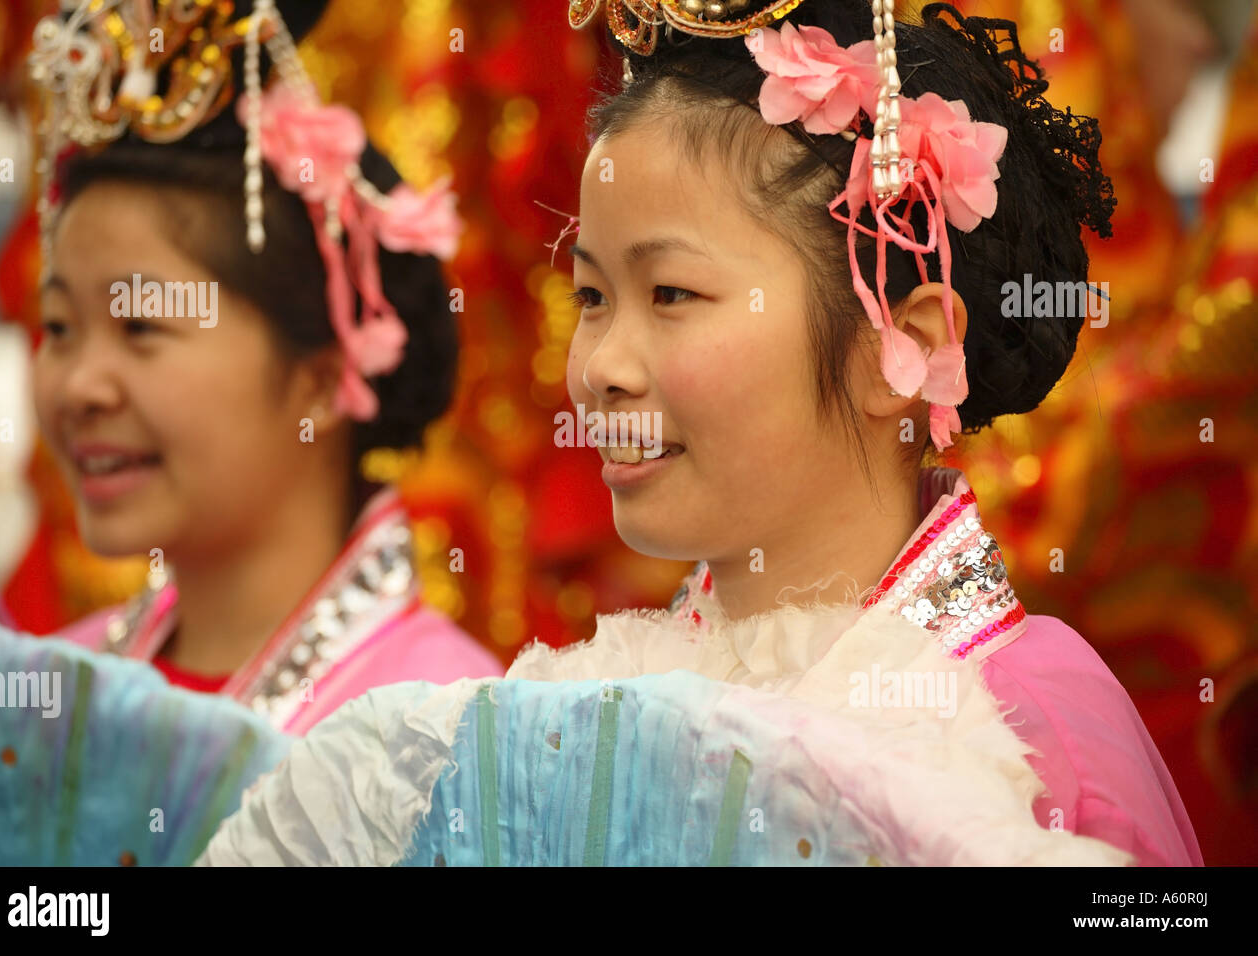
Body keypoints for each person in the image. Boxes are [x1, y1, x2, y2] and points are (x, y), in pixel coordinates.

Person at [197, 1, 1201, 865]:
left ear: (899, 341)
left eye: (669, 291)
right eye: (591, 294)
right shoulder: (584, 707)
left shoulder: (1043, 729)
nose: (598, 366)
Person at [23, 0, 503, 734]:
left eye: (141, 325)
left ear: (321, 373)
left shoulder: (448, 736)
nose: (80, 385)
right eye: (59, 327)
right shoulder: (44, 702)